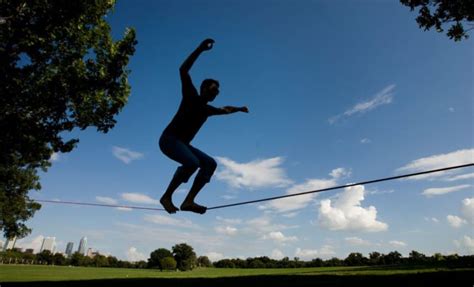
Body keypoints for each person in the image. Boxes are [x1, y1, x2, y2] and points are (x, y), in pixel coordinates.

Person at [159, 38, 249, 214]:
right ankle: (166, 197)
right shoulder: (190, 95)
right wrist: (199, 49)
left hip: (183, 144)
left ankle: (188, 201)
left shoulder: (207, 110)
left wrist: (238, 108)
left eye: (217, 92)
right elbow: (183, 70)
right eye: (213, 90)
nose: (216, 93)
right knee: (192, 163)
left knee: (209, 163)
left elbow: (225, 109)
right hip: (168, 140)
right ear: (204, 88)